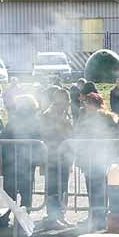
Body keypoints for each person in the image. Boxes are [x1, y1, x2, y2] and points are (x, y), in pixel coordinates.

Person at [72, 91, 118, 231]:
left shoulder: (105, 118)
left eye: (89, 103)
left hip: (100, 158)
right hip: (89, 158)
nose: (86, 105)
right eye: (86, 103)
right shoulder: (84, 117)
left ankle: (99, 218)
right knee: (92, 189)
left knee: (99, 189)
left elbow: (113, 134)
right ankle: (95, 217)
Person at [0, 94, 42, 229]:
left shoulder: (15, 121)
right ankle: (23, 220)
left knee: (10, 191)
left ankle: (5, 218)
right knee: (26, 192)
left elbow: (3, 139)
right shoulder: (35, 120)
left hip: (13, 161)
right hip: (26, 161)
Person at [40, 87, 74, 227]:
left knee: (63, 186)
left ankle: (61, 214)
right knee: (53, 186)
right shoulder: (48, 114)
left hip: (64, 157)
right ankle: (53, 217)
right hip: (52, 157)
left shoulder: (65, 114)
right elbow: (46, 134)